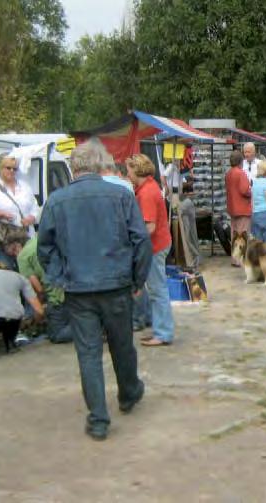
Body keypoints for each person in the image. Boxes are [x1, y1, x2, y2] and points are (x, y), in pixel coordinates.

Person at [38, 141, 152, 441]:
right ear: (101, 164)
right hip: (115, 285)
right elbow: (141, 240)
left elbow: (45, 247)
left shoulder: (57, 200)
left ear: (73, 167)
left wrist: (59, 278)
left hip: (78, 288)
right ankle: (128, 393)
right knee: (121, 343)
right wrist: (137, 280)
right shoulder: (121, 195)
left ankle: (99, 418)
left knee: (88, 353)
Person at [126, 153, 175, 348]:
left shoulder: (146, 193)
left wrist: (133, 243)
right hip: (159, 244)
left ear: (137, 170)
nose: (127, 174)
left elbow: (149, 227)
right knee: (154, 289)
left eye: (129, 169)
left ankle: (163, 333)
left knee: (157, 290)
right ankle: (158, 328)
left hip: (155, 246)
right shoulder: (149, 187)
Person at [0, 155, 39, 261]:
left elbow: (35, 208)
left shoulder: (25, 187)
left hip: (26, 239)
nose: (12, 171)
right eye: (8, 168)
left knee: (27, 274)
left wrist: (31, 218)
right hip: (4, 242)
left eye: (14, 168)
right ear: (0, 168)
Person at [17, 236, 73, 344]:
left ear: (14, 246)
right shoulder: (38, 239)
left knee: (55, 335)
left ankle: (92, 327)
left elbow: (38, 288)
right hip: (71, 287)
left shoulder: (22, 257)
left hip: (57, 296)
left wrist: (40, 309)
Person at [0, 262, 44, 353]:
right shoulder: (19, 277)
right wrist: (36, 321)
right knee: (13, 315)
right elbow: (38, 308)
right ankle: (10, 342)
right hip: (12, 320)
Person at [225, 150, 252, 267]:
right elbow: (245, 190)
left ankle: (234, 259)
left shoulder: (228, 173)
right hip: (242, 208)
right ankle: (240, 259)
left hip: (232, 207)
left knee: (234, 235)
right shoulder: (241, 173)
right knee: (243, 235)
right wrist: (251, 191)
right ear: (241, 161)